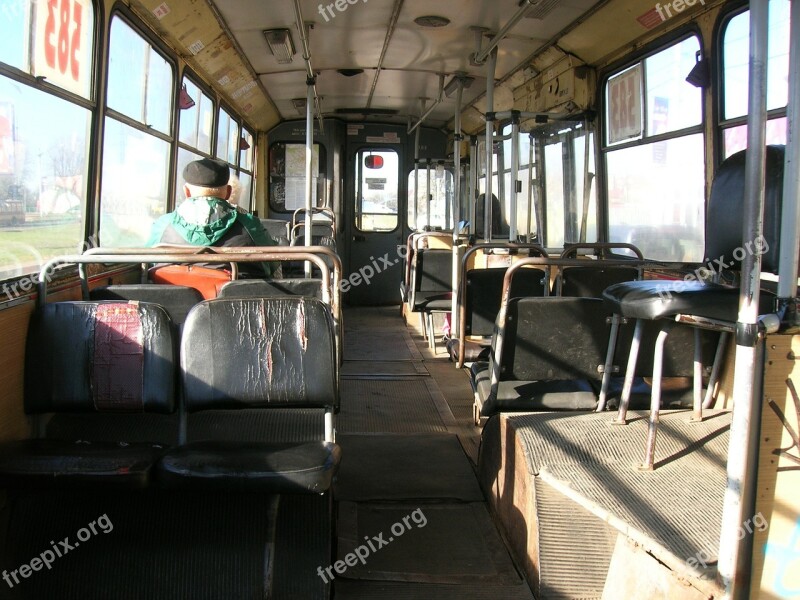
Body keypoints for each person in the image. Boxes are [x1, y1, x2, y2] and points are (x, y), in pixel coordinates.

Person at [147, 158, 277, 277]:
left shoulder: (162, 225)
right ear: (228, 192)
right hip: (231, 301)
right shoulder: (249, 224)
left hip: (171, 300)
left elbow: (147, 262)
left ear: (186, 192)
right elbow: (272, 264)